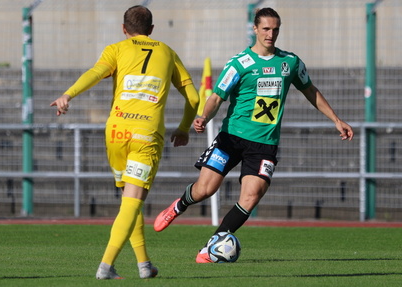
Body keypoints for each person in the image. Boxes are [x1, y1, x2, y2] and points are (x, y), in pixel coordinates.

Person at [153, 7, 354, 263]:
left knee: (250, 198)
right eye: (266, 29)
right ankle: (178, 206)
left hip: (264, 145)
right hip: (232, 137)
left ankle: (210, 247)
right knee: (205, 189)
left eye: (275, 29)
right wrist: (204, 117)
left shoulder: (290, 63)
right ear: (255, 29)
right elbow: (216, 96)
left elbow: (310, 90)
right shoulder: (239, 63)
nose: (271, 34)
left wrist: (336, 120)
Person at [50, 5, 199, 279]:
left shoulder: (116, 49)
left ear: (123, 28)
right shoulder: (166, 52)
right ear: (152, 30)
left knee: (128, 201)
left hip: (116, 132)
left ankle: (144, 265)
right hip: (146, 134)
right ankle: (106, 266)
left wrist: (67, 95)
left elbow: (95, 73)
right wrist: (184, 128)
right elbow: (194, 98)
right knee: (132, 202)